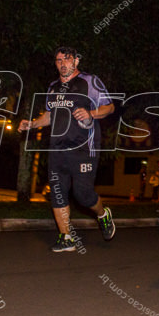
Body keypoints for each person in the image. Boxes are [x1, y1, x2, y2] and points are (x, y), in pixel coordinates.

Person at [19, 46, 116, 252]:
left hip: (83, 147)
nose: (63, 63)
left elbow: (109, 107)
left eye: (67, 59)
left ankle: (102, 214)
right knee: (57, 192)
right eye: (59, 60)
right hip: (57, 147)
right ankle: (66, 238)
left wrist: (91, 113)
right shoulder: (53, 87)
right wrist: (32, 124)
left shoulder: (90, 82)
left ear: (76, 61)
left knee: (83, 195)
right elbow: (49, 115)